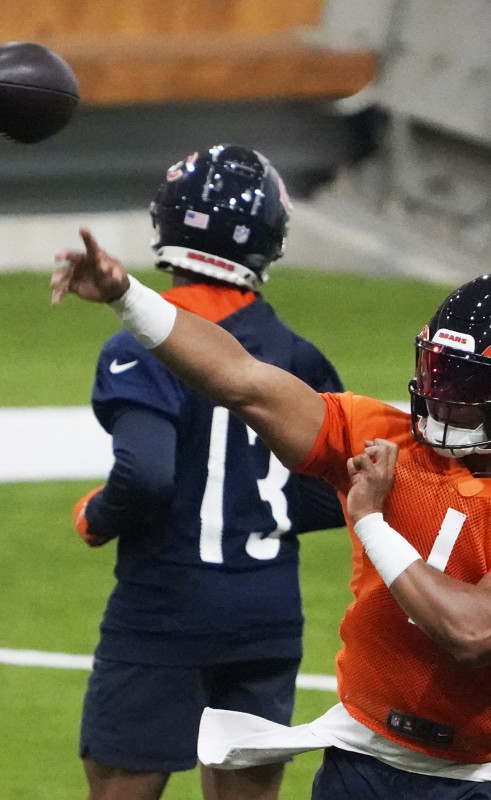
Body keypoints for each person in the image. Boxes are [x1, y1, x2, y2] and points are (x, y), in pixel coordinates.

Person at [51, 230, 491, 799]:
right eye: (439, 370)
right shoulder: (376, 436)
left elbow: (471, 630)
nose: (441, 396)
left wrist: (371, 522)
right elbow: (239, 379)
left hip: (480, 777)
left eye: (471, 381)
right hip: (362, 755)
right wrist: (127, 297)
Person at [68, 144, 346, 800]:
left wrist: (96, 517)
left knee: (119, 786)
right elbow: (339, 489)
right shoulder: (299, 356)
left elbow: (145, 474)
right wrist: (258, 510)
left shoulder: (140, 346)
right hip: (267, 611)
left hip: (165, 606)